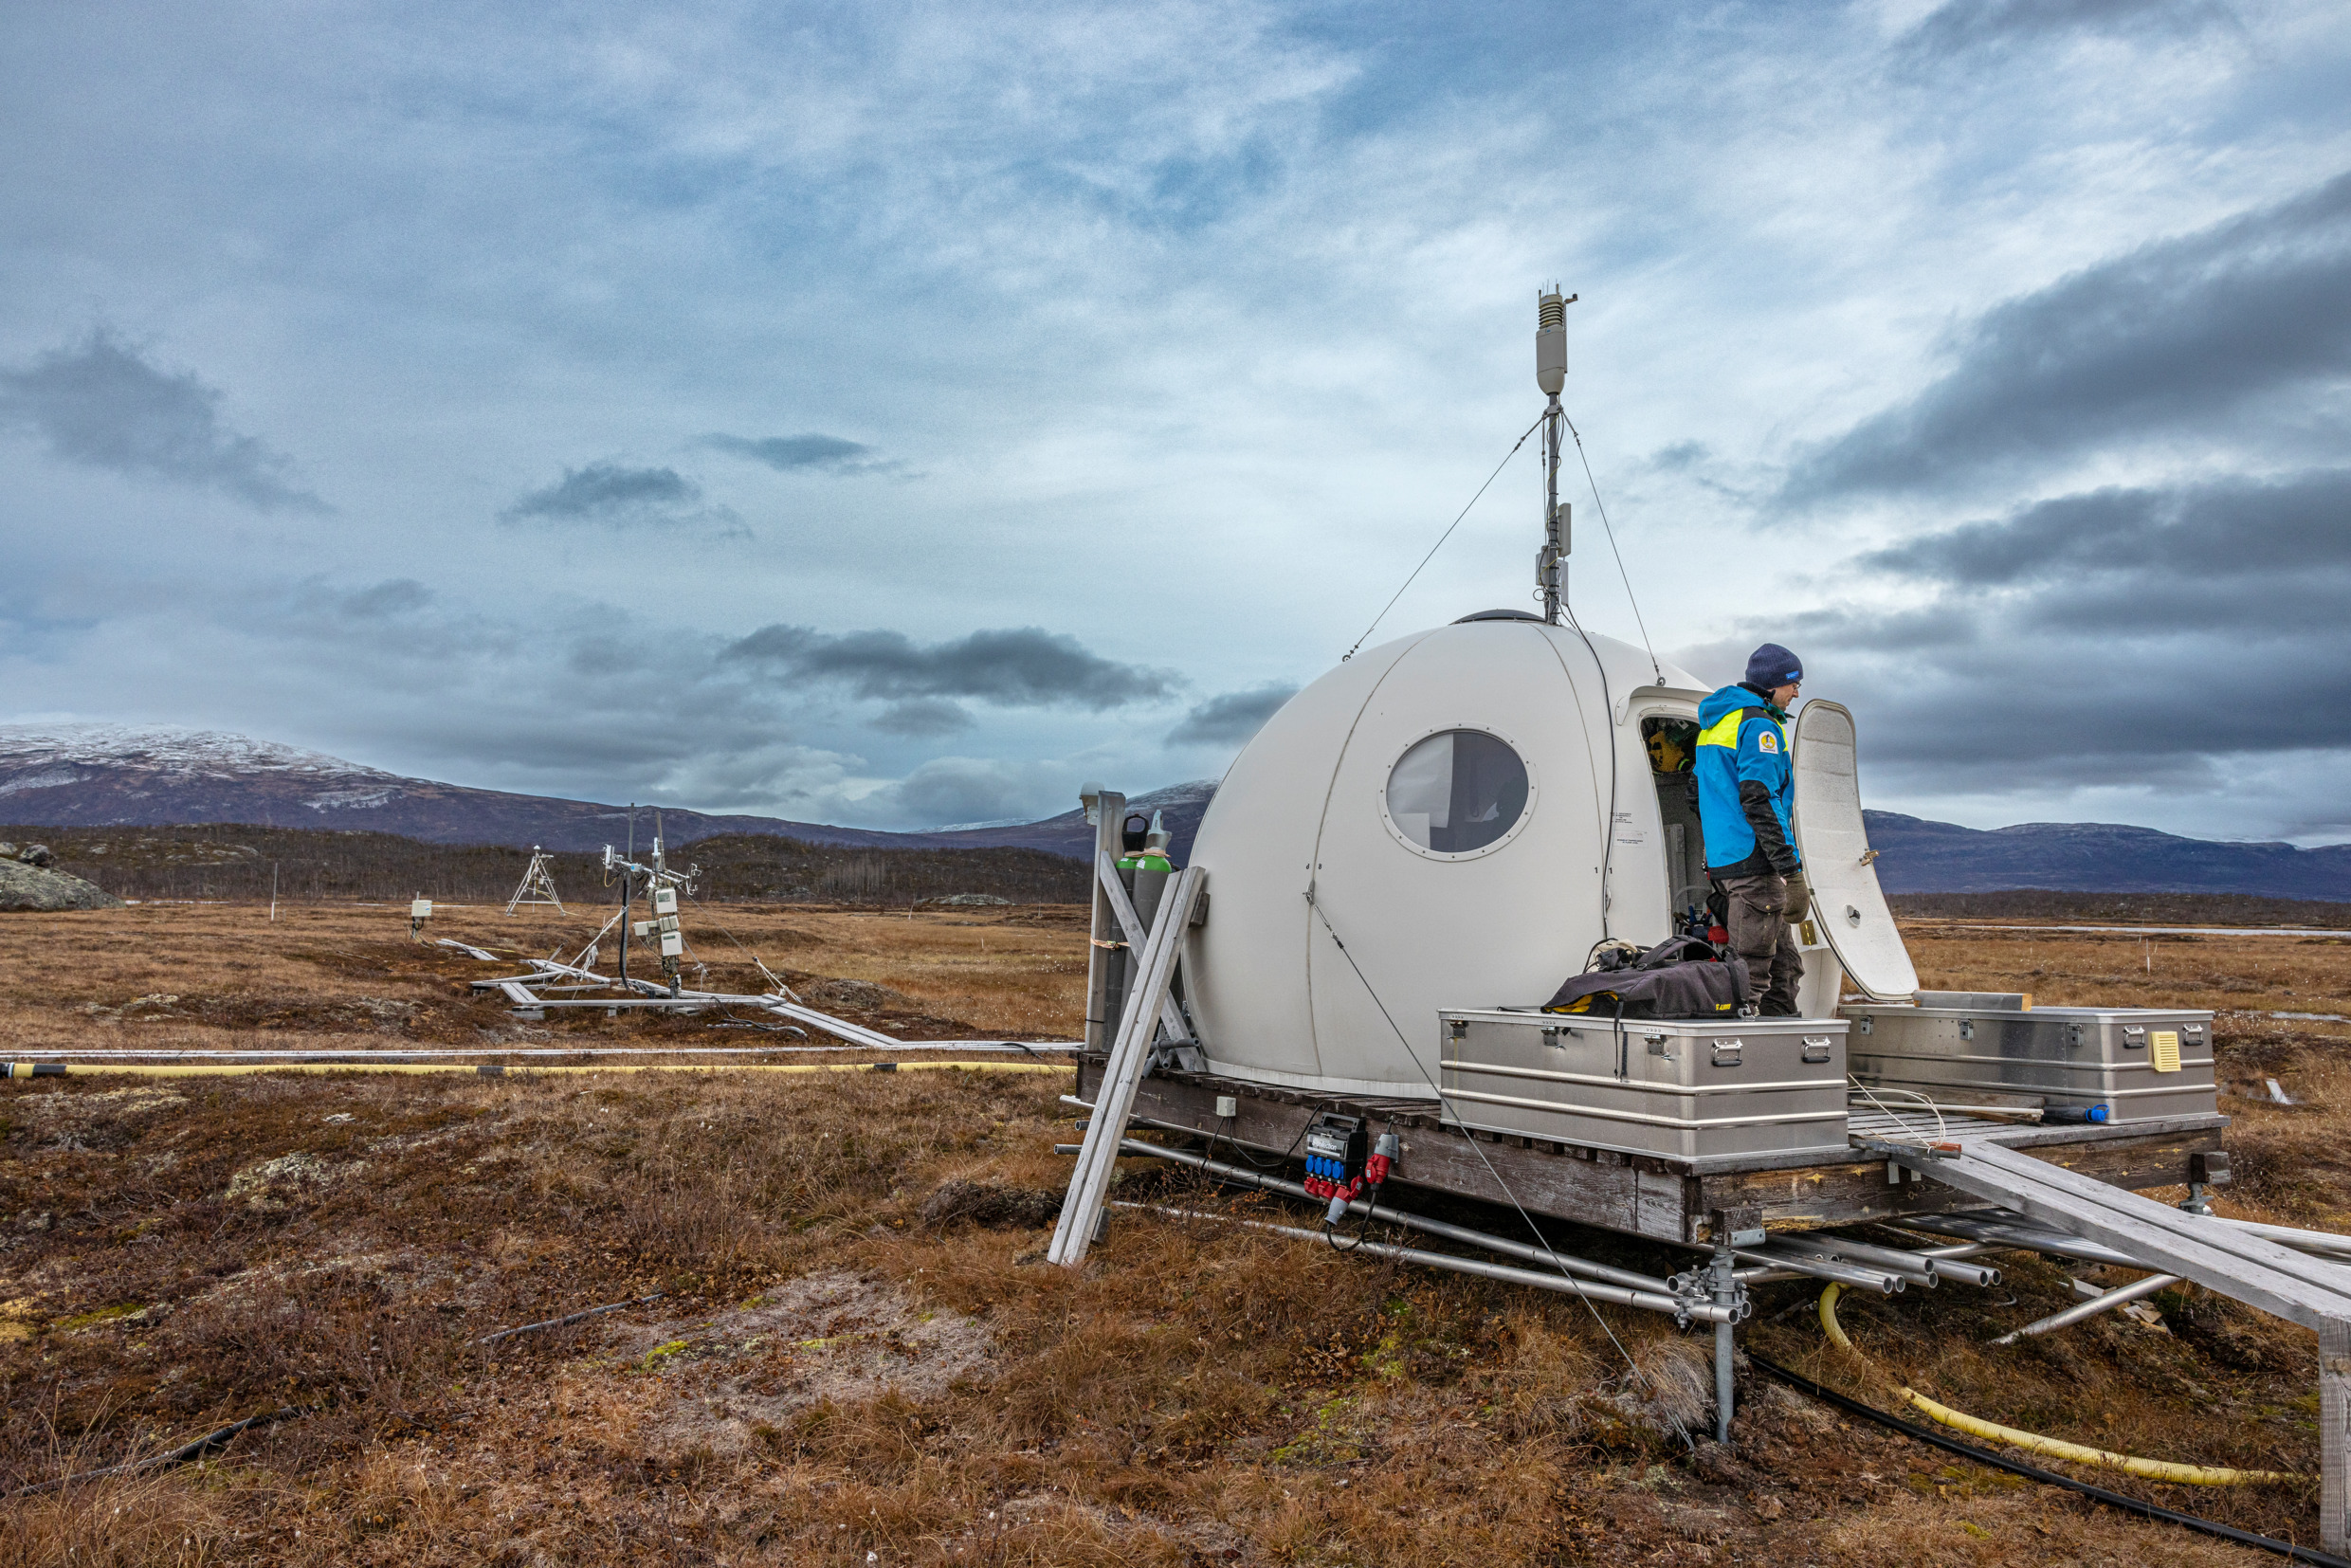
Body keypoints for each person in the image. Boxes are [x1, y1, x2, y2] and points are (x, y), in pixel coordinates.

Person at [1695, 643, 1811, 1016]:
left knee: (1785, 968)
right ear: (1773, 684)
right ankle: (1735, 1056)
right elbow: (1760, 798)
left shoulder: (1717, 724)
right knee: (1751, 980)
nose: (1796, 692)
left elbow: (1695, 795)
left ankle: (1784, 1051)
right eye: (1793, 684)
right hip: (1754, 864)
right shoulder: (1760, 725)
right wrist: (1791, 872)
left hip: (1729, 862)